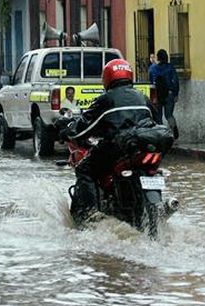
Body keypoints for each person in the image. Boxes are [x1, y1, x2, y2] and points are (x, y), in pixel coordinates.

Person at [60, 59, 156, 225]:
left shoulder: (106, 100)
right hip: (142, 149)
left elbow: (83, 127)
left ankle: (91, 214)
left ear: (107, 78)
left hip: (116, 149)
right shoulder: (143, 98)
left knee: (84, 169)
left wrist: (67, 129)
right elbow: (156, 121)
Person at [149, 49, 180, 139]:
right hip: (169, 94)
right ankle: (173, 128)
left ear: (158, 57)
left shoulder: (152, 68)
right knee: (169, 115)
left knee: (158, 117)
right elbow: (175, 82)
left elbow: (151, 82)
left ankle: (161, 135)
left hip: (157, 95)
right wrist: (176, 93)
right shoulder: (170, 68)